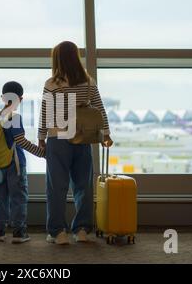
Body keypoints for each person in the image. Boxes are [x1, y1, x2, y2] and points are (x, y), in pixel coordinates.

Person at [38, 41, 113, 245]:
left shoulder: (52, 83)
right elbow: (99, 109)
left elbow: (45, 112)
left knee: (56, 187)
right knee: (83, 185)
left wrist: (41, 137)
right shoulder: (88, 81)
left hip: (58, 137)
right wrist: (106, 134)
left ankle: (57, 232)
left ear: (57, 59)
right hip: (83, 137)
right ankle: (81, 229)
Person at [0, 81, 45, 243]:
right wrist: (40, 153)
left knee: (1, 198)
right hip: (15, 164)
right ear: (20, 99)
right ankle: (18, 232)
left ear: (2, 98)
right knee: (18, 197)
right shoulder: (14, 117)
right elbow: (20, 141)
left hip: (0, 163)